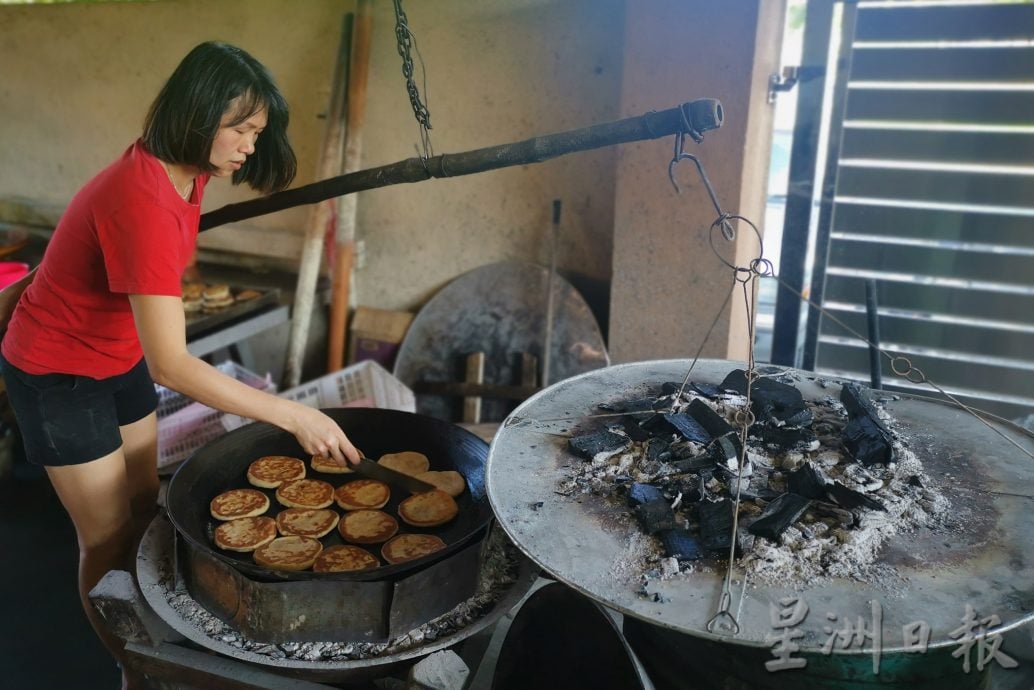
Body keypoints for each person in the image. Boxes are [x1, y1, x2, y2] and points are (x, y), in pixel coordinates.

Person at [0, 42, 360, 689]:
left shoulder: (188, 171)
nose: (250, 145)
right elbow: (170, 363)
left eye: (257, 132)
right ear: (200, 113)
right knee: (106, 539)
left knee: (144, 509)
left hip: (114, 354)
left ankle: (150, 644)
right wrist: (291, 412)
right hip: (56, 371)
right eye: (242, 130)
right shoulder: (138, 195)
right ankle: (132, 666)